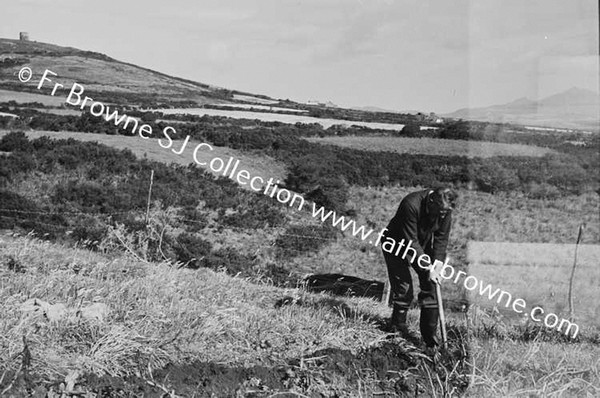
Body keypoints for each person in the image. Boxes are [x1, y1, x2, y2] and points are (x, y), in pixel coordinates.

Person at [381, 187, 457, 350]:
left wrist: (436, 264)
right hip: (395, 243)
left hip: (420, 245)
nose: (442, 216)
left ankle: (430, 339)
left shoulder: (445, 209)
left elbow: (441, 240)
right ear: (431, 202)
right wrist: (427, 265)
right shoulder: (411, 204)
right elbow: (410, 240)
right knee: (404, 288)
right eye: (439, 213)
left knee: (431, 284)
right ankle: (397, 330)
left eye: (444, 213)